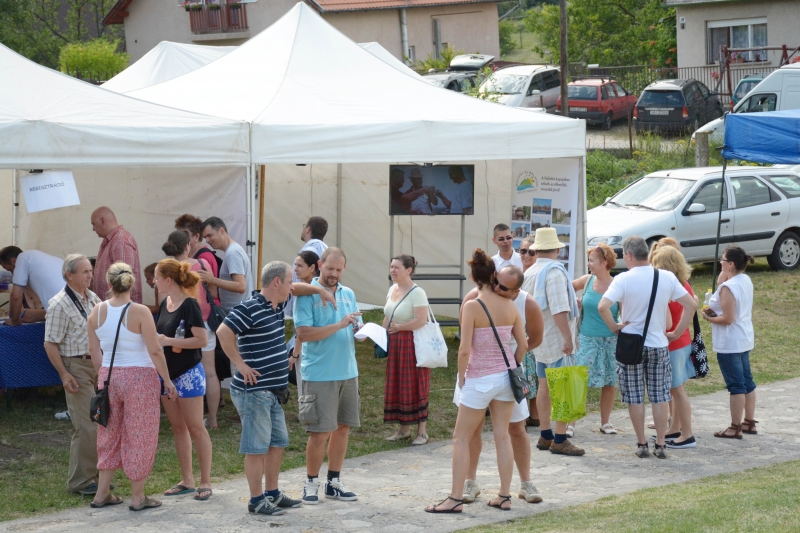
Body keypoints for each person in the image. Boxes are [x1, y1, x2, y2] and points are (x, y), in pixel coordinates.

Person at [219, 261, 337, 513]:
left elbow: (300, 289)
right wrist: (240, 365)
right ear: (276, 283)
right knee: (256, 448)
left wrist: (319, 290)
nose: (291, 286)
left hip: (273, 392)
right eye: (288, 281)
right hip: (254, 392)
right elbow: (222, 332)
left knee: (277, 444)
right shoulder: (249, 308)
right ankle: (256, 500)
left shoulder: (276, 304)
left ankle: (272, 493)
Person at [425, 249, 527, 513]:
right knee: (502, 436)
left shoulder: (472, 305)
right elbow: (523, 343)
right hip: (506, 377)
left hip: (479, 377)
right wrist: (512, 364)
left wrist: (461, 378)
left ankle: (455, 498)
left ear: (472, 276)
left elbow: (464, 350)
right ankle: (504, 495)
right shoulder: (509, 305)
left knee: (461, 438)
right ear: (494, 276)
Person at [87, 262, 177, 511]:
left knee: (108, 433)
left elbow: (94, 350)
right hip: (140, 377)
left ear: (108, 283)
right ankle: (138, 497)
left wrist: (102, 376)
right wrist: (167, 380)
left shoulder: (96, 311)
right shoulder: (139, 311)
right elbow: (155, 350)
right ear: (132, 283)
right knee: (140, 434)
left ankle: (101, 493)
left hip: (109, 376)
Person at [597, 236, 697, 460]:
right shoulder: (666, 276)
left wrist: (615, 327)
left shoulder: (623, 279)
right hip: (659, 344)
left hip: (631, 343)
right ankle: (661, 443)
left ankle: (642, 442)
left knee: (634, 396)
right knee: (660, 395)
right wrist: (678, 332)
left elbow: (603, 306)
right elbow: (691, 304)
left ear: (630, 255)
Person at [458, 265, 544, 504]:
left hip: (505, 375)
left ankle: (525, 483)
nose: (496, 288)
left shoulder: (527, 303)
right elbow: (465, 334)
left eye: (503, 287)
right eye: (495, 281)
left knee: (516, 429)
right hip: (486, 373)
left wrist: (511, 364)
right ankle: (470, 481)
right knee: (474, 430)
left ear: (516, 291)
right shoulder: (475, 297)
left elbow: (534, 339)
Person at [294, 247, 363, 505]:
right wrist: (340, 325)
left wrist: (363, 330)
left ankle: (333, 482)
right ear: (320, 265)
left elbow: (353, 325)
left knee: (343, 428)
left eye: (338, 269)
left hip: (348, 370)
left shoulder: (349, 294)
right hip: (320, 374)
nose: (334, 273)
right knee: (320, 432)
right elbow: (304, 334)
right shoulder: (306, 294)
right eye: (329, 268)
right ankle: (310, 482)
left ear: (344, 268)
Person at [153, 258, 213, 500]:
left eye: (156, 278)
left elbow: (202, 340)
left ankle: (206, 481)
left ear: (168, 280)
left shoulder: (190, 304)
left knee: (196, 428)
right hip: (167, 375)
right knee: (178, 428)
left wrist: (169, 342)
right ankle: (187, 479)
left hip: (188, 374)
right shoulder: (165, 302)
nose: (153, 282)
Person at [520, 228, 583, 455]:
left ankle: (545, 435)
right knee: (563, 388)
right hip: (556, 338)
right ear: (557, 249)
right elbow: (559, 309)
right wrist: (568, 337)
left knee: (544, 386)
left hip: (539, 339)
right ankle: (559, 437)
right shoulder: (555, 272)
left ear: (537, 250)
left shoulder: (529, 272)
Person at [43, 254, 102, 494]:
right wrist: (64, 375)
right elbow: (50, 344)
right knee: (87, 425)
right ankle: (80, 481)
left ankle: (95, 475)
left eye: (90, 270)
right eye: (85, 272)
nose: (90, 275)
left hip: (95, 363)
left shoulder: (92, 297)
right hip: (76, 365)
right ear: (69, 275)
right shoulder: (59, 304)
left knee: (99, 421)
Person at [163, 230, 222, 429]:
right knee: (210, 372)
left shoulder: (167, 271)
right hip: (203, 321)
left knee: (177, 371)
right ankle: (212, 419)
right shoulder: (203, 265)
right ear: (188, 246)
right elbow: (213, 292)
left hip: (176, 325)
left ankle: (180, 418)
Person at [702, 246, 756, 439]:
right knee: (747, 381)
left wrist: (708, 317)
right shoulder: (744, 279)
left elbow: (727, 319)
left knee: (736, 385)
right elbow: (722, 283)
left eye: (723, 259)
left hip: (730, 341)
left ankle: (735, 426)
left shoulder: (728, 288)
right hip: (744, 337)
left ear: (731, 264)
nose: (720, 262)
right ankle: (749, 421)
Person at [650, 245, 697, 449]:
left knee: (677, 390)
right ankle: (676, 428)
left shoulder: (670, 286)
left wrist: (675, 332)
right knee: (676, 388)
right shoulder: (683, 283)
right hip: (682, 341)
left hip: (674, 342)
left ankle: (687, 434)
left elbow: (669, 316)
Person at [382, 255, 431, 446]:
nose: (392, 270)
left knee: (415, 384)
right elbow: (388, 315)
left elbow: (421, 320)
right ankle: (403, 429)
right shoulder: (392, 289)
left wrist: (400, 328)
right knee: (398, 384)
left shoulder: (418, 292)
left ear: (409, 270)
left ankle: (422, 432)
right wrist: (380, 334)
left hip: (412, 344)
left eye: (397, 267)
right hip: (395, 343)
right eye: (391, 266)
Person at [571, 244, 620, 435]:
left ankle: (605, 422)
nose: (589, 264)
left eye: (592, 260)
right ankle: (570, 423)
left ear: (604, 262)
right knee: (579, 380)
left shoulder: (617, 284)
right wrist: (574, 300)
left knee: (610, 381)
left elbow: (623, 311)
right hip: (587, 338)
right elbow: (567, 288)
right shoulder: (587, 280)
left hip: (610, 339)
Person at [199, 217, 252, 313]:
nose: (207, 240)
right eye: (205, 237)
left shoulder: (232, 253)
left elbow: (241, 286)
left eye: (209, 235)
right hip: (238, 312)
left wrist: (212, 280)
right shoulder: (233, 250)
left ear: (222, 231)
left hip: (237, 314)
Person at [91, 207, 143, 303]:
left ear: (102, 221)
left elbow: (124, 282)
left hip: (120, 311)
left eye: (94, 224)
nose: (93, 229)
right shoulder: (113, 240)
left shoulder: (120, 241)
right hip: (113, 309)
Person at [0, 246, 63, 325]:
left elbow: (16, 297)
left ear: (13, 261)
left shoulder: (22, 260)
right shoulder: (41, 258)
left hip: (63, 312)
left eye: (10, 270)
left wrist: (14, 321)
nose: (13, 274)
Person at [288, 251, 320, 393]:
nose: (295, 269)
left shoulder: (306, 293)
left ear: (312, 267)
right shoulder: (316, 288)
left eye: (300, 265)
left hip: (308, 348)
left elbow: (303, 330)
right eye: (295, 265)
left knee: (305, 391)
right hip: (314, 346)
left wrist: (295, 354)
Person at [518, 235, 540, 426]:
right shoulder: (515, 275)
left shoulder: (539, 275)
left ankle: (535, 414)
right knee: (523, 374)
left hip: (535, 328)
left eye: (531, 252)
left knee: (534, 374)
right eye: (523, 251)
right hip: (517, 329)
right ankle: (522, 416)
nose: (526, 255)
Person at [174, 214, 221, 278]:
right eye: (178, 234)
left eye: (185, 234)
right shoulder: (189, 253)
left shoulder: (205, 257)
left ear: (196, 236)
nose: (180, 237)